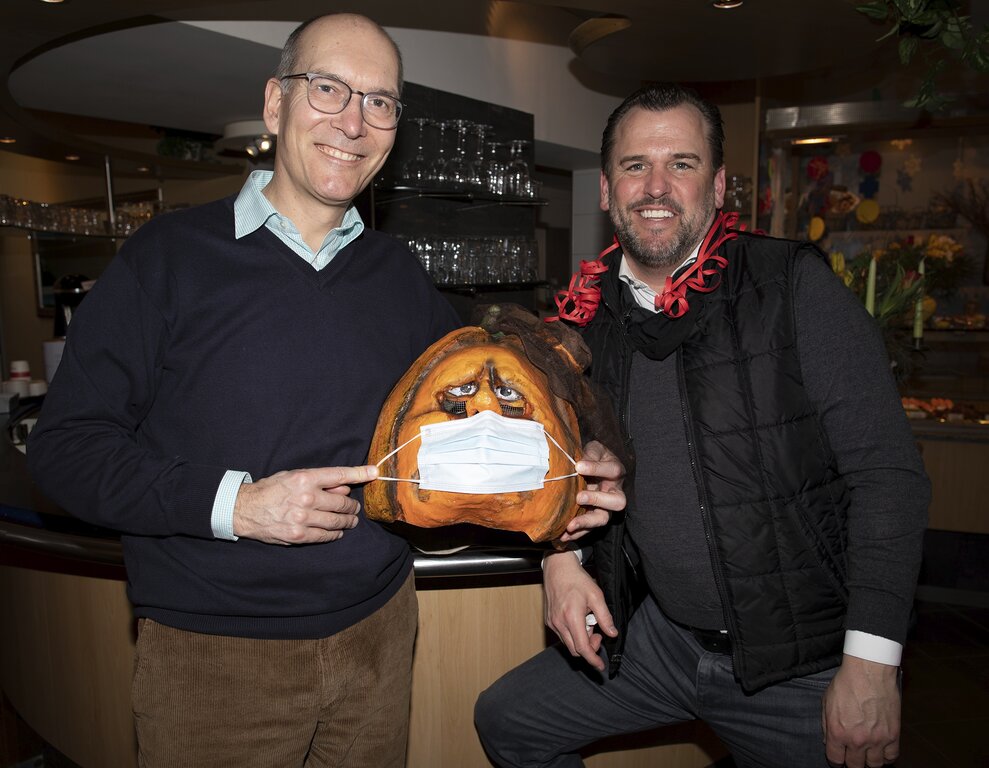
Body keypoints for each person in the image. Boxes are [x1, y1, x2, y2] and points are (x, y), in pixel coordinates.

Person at [26, 14, 625, 768]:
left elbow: (462, 445)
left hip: (378, 635)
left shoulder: (400, 279)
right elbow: (66, 449)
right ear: (276, 104)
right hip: (214, 654)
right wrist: (238, 506)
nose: (353, 120)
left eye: (379, 101)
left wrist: (561, 511)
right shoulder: (167, 259)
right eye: (328, 88)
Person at [474, 83, 930, 768]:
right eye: (634, 166)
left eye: (681, 164)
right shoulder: (584, 320)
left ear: (717, 187)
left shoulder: (791, 285)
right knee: (509, 721)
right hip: (661, 642)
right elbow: (560, 463)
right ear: (605, 189)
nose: (655, 186)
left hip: (798, 666)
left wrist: (870, 666)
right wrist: (559, 562)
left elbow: (888, 478)